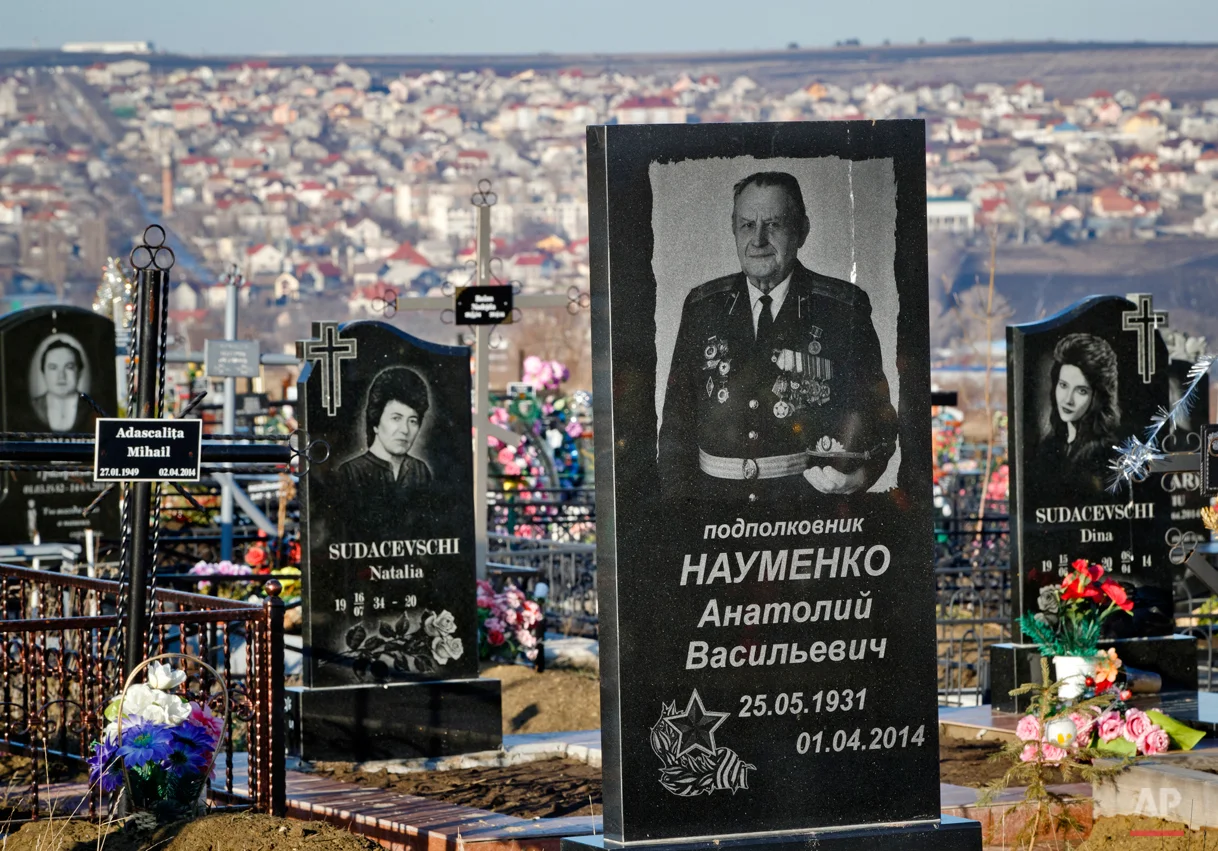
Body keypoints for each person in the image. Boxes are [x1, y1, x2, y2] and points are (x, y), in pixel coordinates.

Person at [658, 171, 897, 505]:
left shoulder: (843, 310)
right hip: (716, 513)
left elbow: (879, 422)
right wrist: (678, 514)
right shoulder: (703, 308)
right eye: (746, 225)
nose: (757, 240)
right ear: (733, 229)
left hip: (807, 511)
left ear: (802, 230)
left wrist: (858, 477)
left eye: (773, 224)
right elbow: (676, 429)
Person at [332, 367, 433, 539]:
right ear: (376, 422)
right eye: (396, 418)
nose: (405, 430)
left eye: (413, 420)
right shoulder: (350, 473)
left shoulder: (419, 471)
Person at [1037, 332, 1120, 494]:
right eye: (1063, 385)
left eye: (1081, 391)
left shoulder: (1106, 453)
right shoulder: (1049, 446)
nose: (1068, 400)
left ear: (1096, 397)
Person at [30, 339, 93, 433]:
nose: (61, 376)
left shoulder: (92, 407)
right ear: (43, 373)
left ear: (79, 372)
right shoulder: (33, 407)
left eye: (69, 367)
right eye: (53, 368)